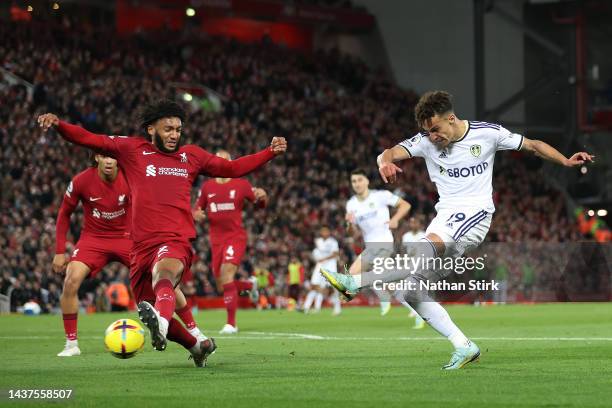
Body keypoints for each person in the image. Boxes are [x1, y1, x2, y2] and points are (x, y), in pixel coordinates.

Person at [321, 91, 593, 369]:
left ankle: (355, 282)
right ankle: (464, 345)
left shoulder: (487, 134)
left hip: (476, 215)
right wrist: (384, 162)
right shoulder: (426, 141)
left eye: (436, 129)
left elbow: (533, 145)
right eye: (426, 132)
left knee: (428, 247)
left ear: (451, 119)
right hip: (445, 216)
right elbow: (389, 152)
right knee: (411, 291)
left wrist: (566, 161)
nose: (432, 136)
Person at [38, 99, 286, 367]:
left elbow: (232, 168)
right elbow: (88, 138)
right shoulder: (132, 150)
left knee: (164, 274)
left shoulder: (191, 156)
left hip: (175, 240)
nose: (174, 135)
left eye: (178, 129)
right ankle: (196, 345)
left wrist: (268, 152)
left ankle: (163, 325)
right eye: (168, 129)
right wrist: (59, 125)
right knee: (146, 302)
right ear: (151, 129)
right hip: (140, 246)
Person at [53, 155, 207, 357]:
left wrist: (186, 213)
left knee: (163, 276)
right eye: (104, 156)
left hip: (129, 237)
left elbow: (160, 199)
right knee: (71, 280)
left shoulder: (131, 177)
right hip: (93, 239)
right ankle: (71, 344)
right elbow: (65, 212)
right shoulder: (81, 181)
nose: (109, 161)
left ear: (119, 160)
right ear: (96, 158)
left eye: (113, 157)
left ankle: (194, 330)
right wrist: (58, 251)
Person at [193, 149, 268, 334]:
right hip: (216, 240)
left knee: (227, 275)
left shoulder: (241, 184)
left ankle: (231, 324)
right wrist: (196, 214)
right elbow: (196, 209)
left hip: (235, 237)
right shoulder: (207, 187)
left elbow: (259, 204)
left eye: (225, 161)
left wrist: (263, 197)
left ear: (231, 162)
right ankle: (250, 285)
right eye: (219, 161)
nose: (222, 164)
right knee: (222, 286)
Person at [344, 168, 411, 316]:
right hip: (370, 246)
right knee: (357, 275)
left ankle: (386, 295)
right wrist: (349, 224)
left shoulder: (381, 196)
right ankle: (415, 306)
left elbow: (405, 205)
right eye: (354, 181)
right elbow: (354, 233)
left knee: (367, 275)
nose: (357, 184)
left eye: (360, 180)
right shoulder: (351, 204)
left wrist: (395, 219)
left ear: (367, 181)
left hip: (384, 243)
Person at [303, 226, 341, 315]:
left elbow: (335, 254)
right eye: (322, 231)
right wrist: (317, 258)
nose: (324, 232)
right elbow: (316, 253)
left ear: (329, 232)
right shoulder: (318, 241)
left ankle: (337, 308)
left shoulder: (333, 242)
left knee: (333, 287)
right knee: (314, 285)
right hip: (320, 265)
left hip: (330, 265)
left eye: (326, 231)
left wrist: (324, 258)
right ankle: (311, 306)